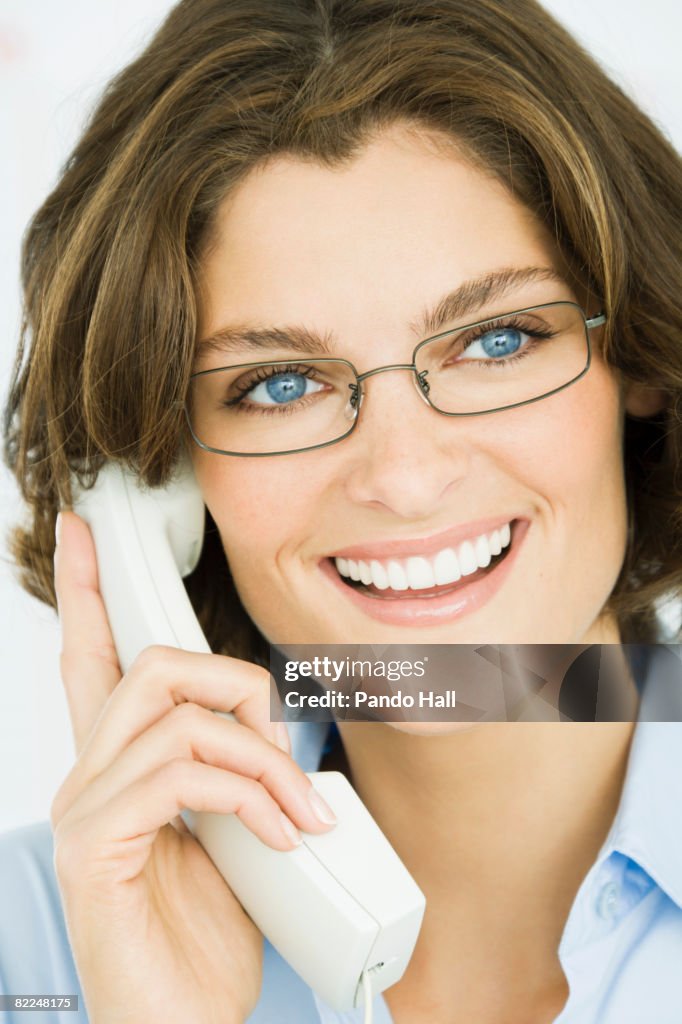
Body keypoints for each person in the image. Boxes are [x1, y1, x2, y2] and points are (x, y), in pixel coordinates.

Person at [1, 0, 681, 1021]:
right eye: (280, 384)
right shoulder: (36, 943)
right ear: (160, 480)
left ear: (636, 353)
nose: (405, 477)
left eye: (496, 339)